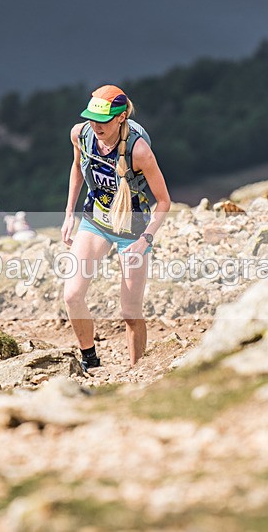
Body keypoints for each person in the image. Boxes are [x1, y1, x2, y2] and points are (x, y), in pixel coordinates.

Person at [61, 85, 171, 371]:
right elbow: (77, 168)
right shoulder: (81, 134)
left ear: (121, 117)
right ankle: (90, 360)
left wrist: (145, 240)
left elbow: (163, 201)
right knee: (72, 295)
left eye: (104, 120)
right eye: (92, 118)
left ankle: (137, 373)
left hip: (133, 231)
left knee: (130, 313)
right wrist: (68, 213)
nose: (96, 126)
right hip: (95, 221)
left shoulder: (140, 151)